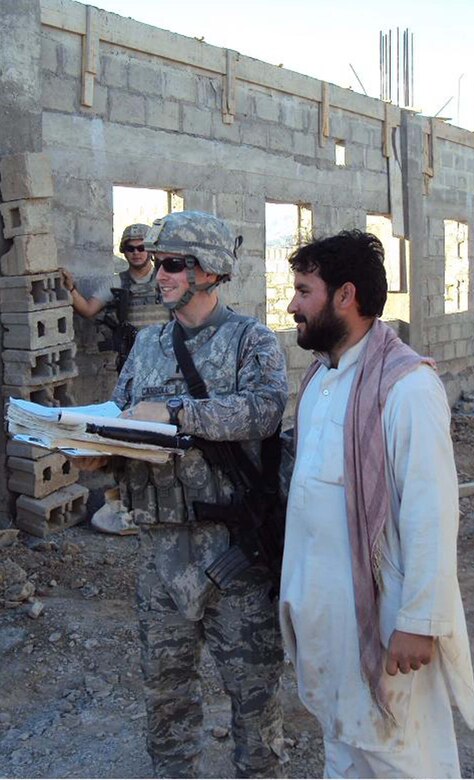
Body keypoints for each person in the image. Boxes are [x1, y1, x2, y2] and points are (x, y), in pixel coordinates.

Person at [81, 211, 288, 778]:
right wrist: (97, 451)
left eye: (173, 264)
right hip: (161, 556)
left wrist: (177, 413)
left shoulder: (253, 340)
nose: (160, 274)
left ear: (210, 272)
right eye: (159, 262)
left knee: (254, 703)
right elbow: (124, 418)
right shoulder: (147, 344)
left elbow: (266, 410)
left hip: (235, 556)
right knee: (166, 700)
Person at [279, 230, 474, 779]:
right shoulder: (323, 379)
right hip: (328, 618)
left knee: (397, 753)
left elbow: (432, 511)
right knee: (344, 744)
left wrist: (419, 621)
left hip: (381, 620)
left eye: (303, 291)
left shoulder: (407, 387)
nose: (292, 305)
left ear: (344, 296)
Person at [61, 223, 166, 371]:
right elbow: (88, 310)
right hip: (133, 358)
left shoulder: (165, 278)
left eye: (141, 248)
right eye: (130, 248)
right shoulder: (116, 282)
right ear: (124, 251)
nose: (136, 253)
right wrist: (70, 288)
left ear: (150, 250)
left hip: (164, 355)